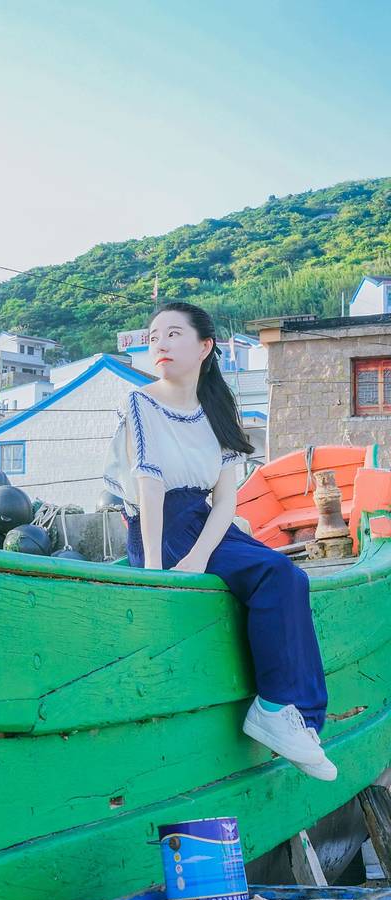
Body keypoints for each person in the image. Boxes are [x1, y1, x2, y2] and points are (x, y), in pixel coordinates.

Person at [103, 301, 336, 781]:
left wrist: (200, 556)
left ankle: (303, 720)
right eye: (154, 336)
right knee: (276, 575)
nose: (160, 344)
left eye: (173, 334)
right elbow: (148, 486)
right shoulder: (141, 402)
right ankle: (275, 709)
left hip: (204, 524)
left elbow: (226, 500)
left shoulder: (216, 411)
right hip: (159, 526)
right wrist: (155, 572)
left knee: (290, 578)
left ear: (205, 346)